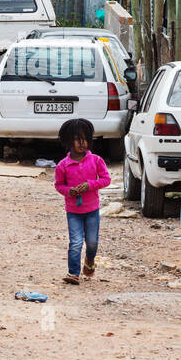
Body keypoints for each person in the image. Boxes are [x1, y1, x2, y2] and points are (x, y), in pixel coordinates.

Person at [54, 118, 111, 285]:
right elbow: (58, 185)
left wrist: (90, 185)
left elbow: (106, 179)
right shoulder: (63, 165)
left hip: (92, 210)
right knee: (76, 242)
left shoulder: (96, 161)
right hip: (73, 212)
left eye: (85, 139)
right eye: (77, 139)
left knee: (92, 242)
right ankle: (73, 273)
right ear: (68, 142)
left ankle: (90, 260)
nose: (82, 143)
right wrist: (68, 191)